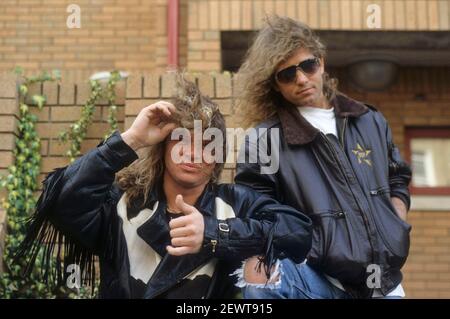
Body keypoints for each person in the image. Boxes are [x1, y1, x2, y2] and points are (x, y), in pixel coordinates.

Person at [16, 74, 311, 299]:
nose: (194, 153)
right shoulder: (122, 204)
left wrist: (214, 233)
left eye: (208, 144)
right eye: (183, 140)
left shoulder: (235, 203)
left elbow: (298, 233)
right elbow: (60, 203)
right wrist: (130, 140)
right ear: (163, 146)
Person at [234, 16, 412, 299]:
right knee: (260, 276)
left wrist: (394, 220)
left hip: (383, 281)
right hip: (318, 280)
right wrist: (309, 243)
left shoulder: (368, 120)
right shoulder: (265, 139)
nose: (302, 78)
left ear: (322, 62)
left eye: (308, 65)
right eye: (287, 74)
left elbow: (397, 176)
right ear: (274, 84)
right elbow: (254, 206)